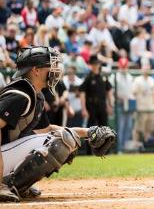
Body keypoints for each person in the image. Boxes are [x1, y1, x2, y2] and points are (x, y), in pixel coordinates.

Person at [0, 46, 115, 202]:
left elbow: (48, 129)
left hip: (5, 153)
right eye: (51, 65)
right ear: (36, 70)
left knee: (63, 137)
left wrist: (89, 132)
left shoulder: (35, 95)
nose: (55, 70)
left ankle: (17, 185)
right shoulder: (20, 95)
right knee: (59, 141)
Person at [79, 56, 113, 128]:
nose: (95, 66)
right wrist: (84, 109)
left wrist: (110, 105)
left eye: (96, 64)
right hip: (91, 105)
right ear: (91, 65)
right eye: (93, 64)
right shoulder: (88, 78)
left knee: (104, 127)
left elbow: (109, 90)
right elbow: (82, 93)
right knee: (90, 128)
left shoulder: (103, 77)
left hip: (102, 105)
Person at [110, 58, 136, 152]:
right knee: (120, 127)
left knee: (128, 126)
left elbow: (132, 91)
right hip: (119, 104)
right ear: (119, 67)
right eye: (122, 67)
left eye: (125, 67)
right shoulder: (115, 76)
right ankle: (119, 148)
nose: (124, 69)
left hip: (129, 104)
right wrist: (119, 97)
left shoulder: (130, 76)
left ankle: (125, 146)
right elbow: (112, 91)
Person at [132, 62, 154, 145]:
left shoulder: (152, 80)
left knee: (149, 129)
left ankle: (146, 146)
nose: (146, 70)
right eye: (145, 68)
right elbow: (133, 94)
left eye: (148, 68)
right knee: (138, 128)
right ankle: (135, 144)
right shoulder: (137, 80)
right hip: (141, 108)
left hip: (151, 108)